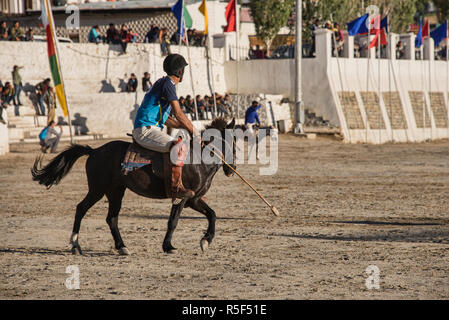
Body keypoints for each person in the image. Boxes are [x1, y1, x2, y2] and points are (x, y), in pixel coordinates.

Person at [132, 54, 201, 200]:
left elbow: (169, 119)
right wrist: (194, 131)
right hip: (145, 130)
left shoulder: (165, 83)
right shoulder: (168, 84)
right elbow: (179, 113)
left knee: (179, 143)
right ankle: (177, 188)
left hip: (151, 128)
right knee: (179, 147)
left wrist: (183, 126)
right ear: (180, 72)